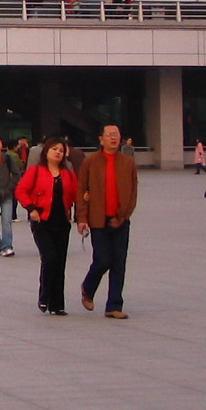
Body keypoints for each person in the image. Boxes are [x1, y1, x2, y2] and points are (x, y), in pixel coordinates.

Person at [76, 124, 139, 319]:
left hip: (120, 219)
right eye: (109, 135)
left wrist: (124, 216)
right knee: (103, 259)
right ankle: (88, 287)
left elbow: (133, 192)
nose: (113, 138)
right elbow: (81, 191)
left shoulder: (128, 162)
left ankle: (114, 305)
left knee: (119, 262)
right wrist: (82, 218)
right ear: (101, 139)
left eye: (116, 134)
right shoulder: (90, 162)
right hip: (98, 219)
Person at [16, 137, 77, 315]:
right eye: (54, 149)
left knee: (60, 263)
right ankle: (44, 296)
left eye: (61, 150)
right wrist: (31, 209)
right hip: (42, 221)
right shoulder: (36, 171)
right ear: (46, 152)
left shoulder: (68, 174)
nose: (58, 153)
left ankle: (57, 304)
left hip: (62, 222)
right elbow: (21, 191)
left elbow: (76, 194)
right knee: (50, 259)